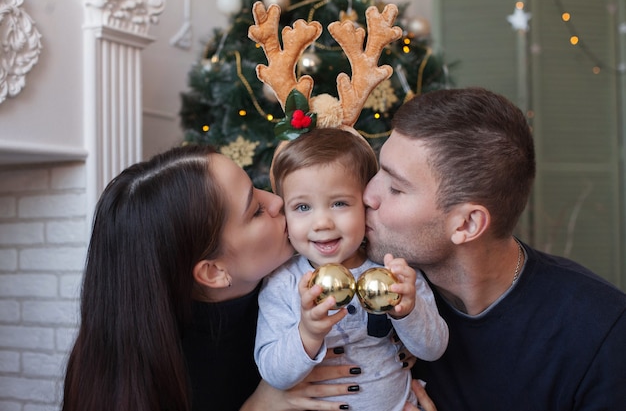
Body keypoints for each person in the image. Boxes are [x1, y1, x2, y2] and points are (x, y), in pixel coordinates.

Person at [363, 87, 626, 411]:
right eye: (378, 169)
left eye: (395, 188)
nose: (367, 195)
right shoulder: (368, 291)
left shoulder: (601, 331)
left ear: (467, 225)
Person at [61, 144, 365, 411]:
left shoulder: (312, 275)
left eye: (257, 185)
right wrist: (259, 406)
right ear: (213, 272)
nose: (276, 201)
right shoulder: (156, 373)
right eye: (256, 210)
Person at [255, 128, 449, 411]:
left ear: (365, 205)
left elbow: (433, 349)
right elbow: (275, 375)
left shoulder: (394, 272)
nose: (322, 222)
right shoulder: (283, 282)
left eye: (339, 203)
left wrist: (409, 311)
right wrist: (308, 333)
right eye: (302, 207)